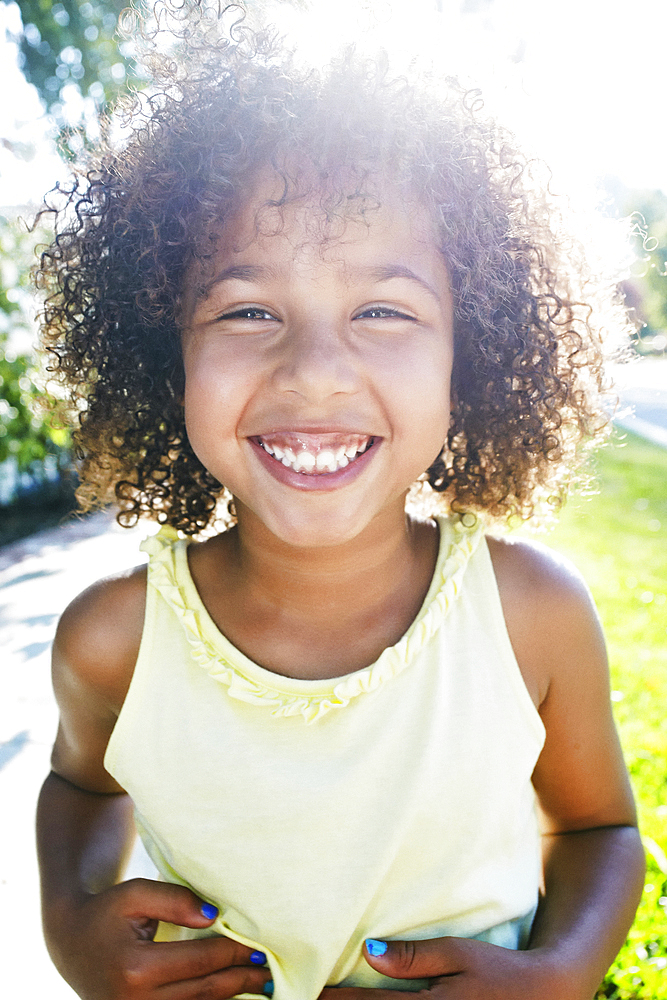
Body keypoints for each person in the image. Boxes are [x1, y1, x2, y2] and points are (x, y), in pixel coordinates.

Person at [35, 10, 645, 1000]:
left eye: (383, 310)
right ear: (163, 352)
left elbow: (598, 830)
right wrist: (69, 919)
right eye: (246, 309)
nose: (314, 372)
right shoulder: (114, 639)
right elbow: (80, 785)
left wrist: (561, 969)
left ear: (473, 350)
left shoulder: (530, 617)